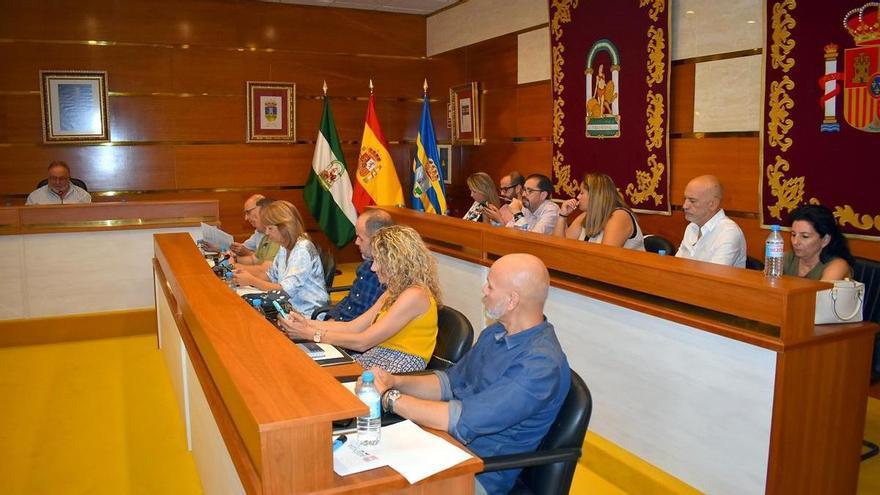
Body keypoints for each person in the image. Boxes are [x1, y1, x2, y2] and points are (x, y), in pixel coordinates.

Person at [361, 253, 570, 495]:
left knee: (369, 487)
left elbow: (460, 420)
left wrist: (389, 398)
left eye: (490, 286)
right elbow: (448, 383)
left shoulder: (540, 365)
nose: (484, 289)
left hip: (475, 473)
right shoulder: (496, 334)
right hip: (443, 446)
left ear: (512, 300)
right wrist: (396, 381)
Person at [279, 225, 440, 373]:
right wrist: (305, 323)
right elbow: (353, 327)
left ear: (396, 263)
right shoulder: (395, 291)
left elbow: (363, 342)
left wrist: (309, 333)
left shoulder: (415, 295)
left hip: (399, 364)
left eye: (378, 261)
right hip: (379, 355)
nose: (373, 268)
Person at [232, 201, 328, 318]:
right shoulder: (284, 247)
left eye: (270, 228)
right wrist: (245, 275)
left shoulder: (303, 249)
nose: (266, 232)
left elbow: (285, 291)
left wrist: (251, 280)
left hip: (308, 314)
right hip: (288, 310)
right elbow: (270, 276)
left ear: (285, 227)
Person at [324, 209, 394, 321]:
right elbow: (350, 301)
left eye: (360, 238)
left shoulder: (388, 278)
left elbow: (363, 327)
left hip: (351, 332)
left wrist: (320, 331)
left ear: (376, 240)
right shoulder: (366, 266)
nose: (356, 242)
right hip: (340, 325)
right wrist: (331, 319)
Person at [554, 172, 645, 250]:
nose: (578, 197)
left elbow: (606, 256)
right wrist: (563, 215)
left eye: (582, 193)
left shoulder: (620, 216)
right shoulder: (586, 215)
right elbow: (559, 247)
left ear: (595, 195)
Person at [675, 175, 746, 267]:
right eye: (685, 199)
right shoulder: (692, 227)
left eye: (692, 201)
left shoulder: (729, 233)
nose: (685, 206)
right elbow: (678, 264)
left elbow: (713, 276)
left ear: (712, 204)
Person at [784, 204, 854, 280]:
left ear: (825, 239)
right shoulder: (786, 258)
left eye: (805, 236)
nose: (795, 242)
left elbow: (821, 291)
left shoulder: (838, 266)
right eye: (793, 235)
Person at [231, 196, 280, 275]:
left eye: (248, 212)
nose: (246, 218)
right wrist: (234, 258)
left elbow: (264, 271)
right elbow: (254, 260)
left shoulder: (277, 238)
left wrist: (232, 266)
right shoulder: (265, 236)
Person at [26, 161, 92, 205]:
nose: (57, 182)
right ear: (48, 178)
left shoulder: (83, 196)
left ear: (69, 178)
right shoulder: (34, 197)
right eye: (53, 178)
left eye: (62, 178)